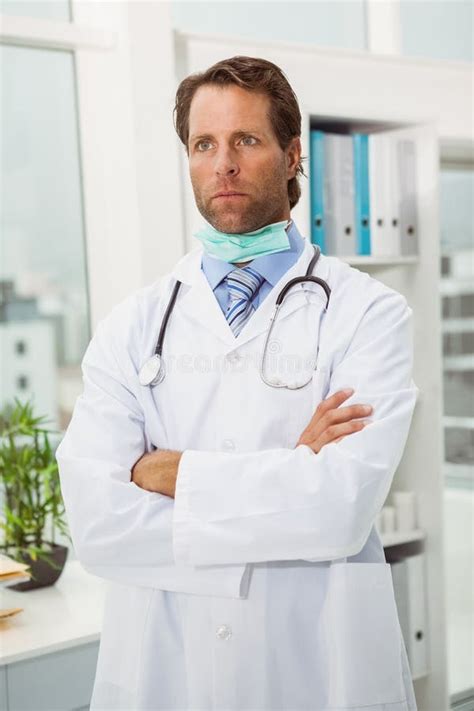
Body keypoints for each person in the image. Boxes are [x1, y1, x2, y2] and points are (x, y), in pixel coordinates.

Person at [56, 55, 419, 711]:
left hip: (316, 670)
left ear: (291, 155)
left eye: (246, 140)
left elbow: (338, 511)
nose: (222, 163)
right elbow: (97, 525)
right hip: (169, 673)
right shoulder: (132, 324)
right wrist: (289, 471)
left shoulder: (370, 314)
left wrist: (175, 475)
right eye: (204, 144)